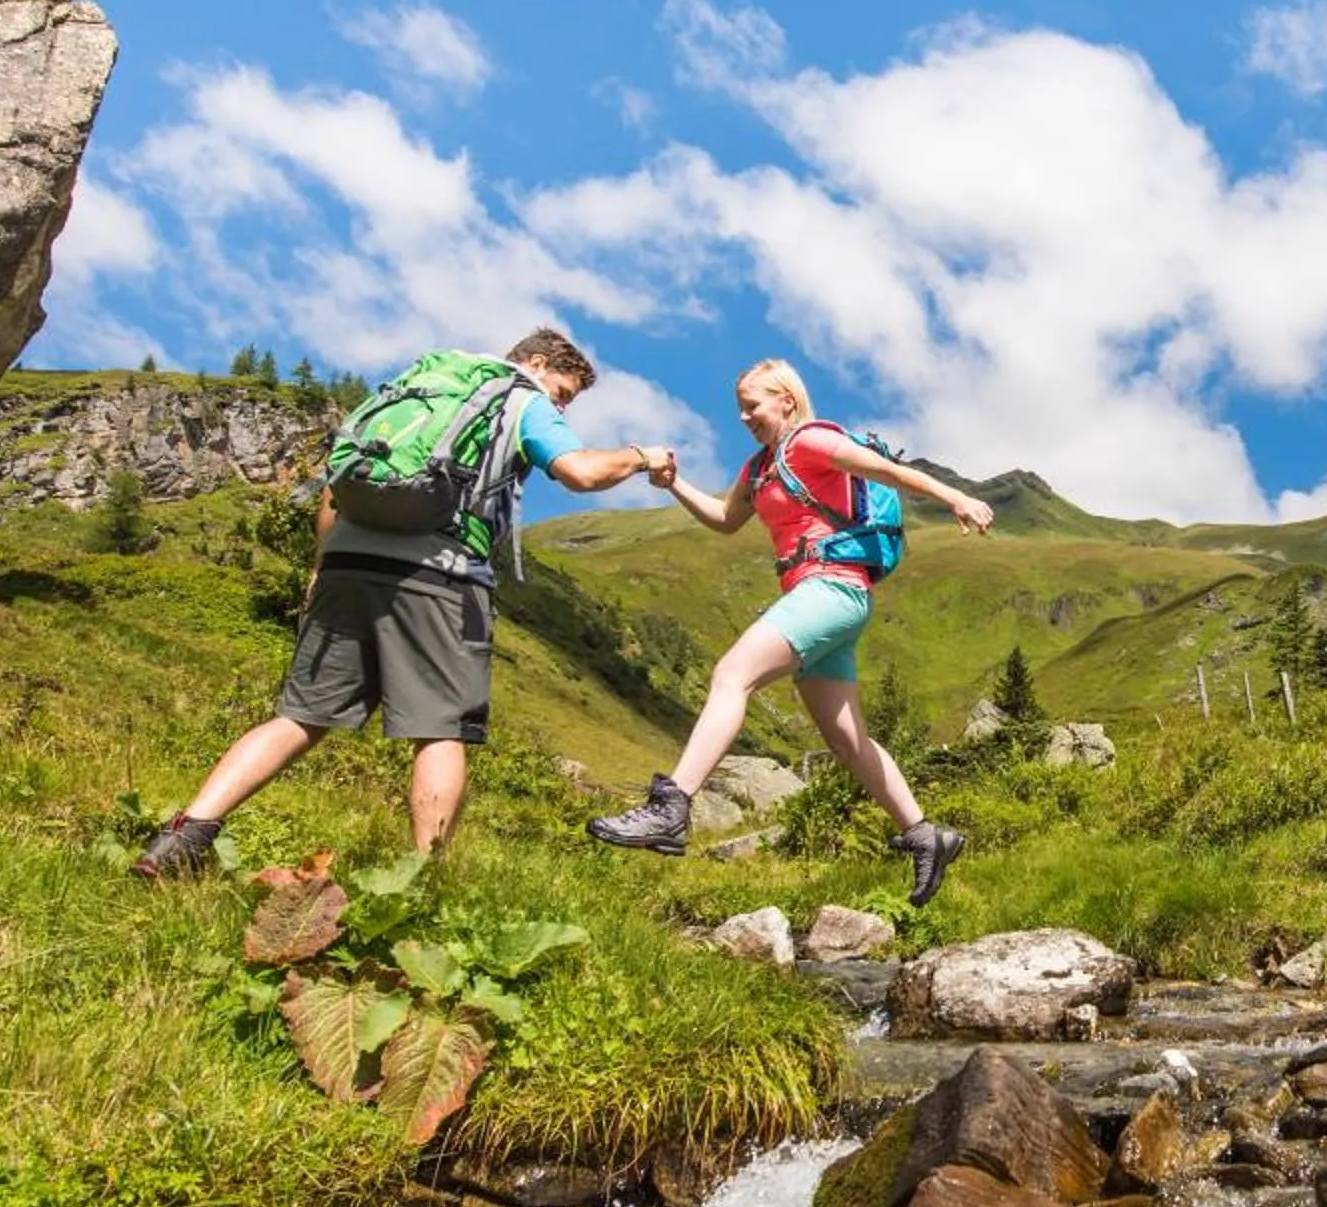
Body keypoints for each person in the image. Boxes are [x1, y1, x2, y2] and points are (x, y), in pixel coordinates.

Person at [134, 328, 666, 877]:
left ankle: (182, 837)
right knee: (440, 730)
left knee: (298, 718)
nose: (561, 405)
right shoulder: (518, 397)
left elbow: (334, 487)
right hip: (437, 572)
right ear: (535, 363)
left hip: (346, 562)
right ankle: (423, 881)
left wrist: (320, 566)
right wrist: (641, 456)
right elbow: (581, 471)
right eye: (563, 391)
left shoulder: (415, 387)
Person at [588, 358, 992, 904]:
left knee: (732, 675)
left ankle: (671, 806)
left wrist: (957, 499)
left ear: (786, 399)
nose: (744, 417)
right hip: (819, 598)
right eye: (740, 408)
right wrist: (674, 482)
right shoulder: (760, 469)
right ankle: (926, 835)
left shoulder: (811, 441)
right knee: (847, 741)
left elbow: (886, 471)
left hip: (831, 589)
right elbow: (726, 520)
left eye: (752, 405)